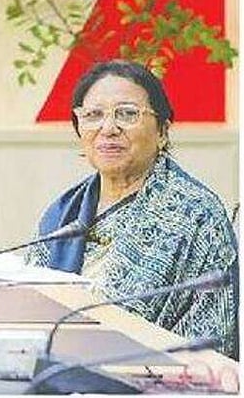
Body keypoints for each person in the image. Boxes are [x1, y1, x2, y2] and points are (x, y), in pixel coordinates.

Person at [24, 59, 237, 356]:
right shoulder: (63, 213)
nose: (108, 128)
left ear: (162, 131)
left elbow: (213, 341)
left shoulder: (196, 214)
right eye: (93, 115)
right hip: (55, 371)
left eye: (127, 114)